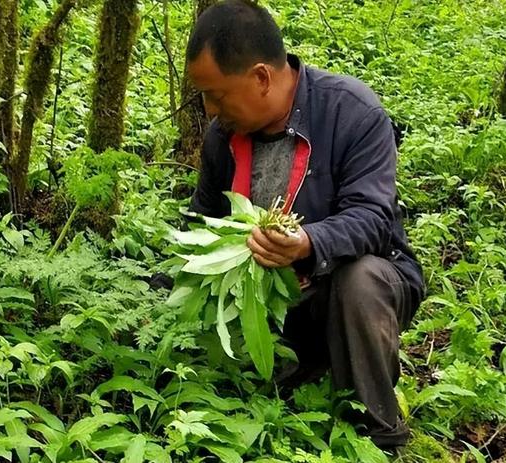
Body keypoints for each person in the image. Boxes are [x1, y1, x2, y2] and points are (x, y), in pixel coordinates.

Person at [185, 0, 425, 450]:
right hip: (274, 300)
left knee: (361, 279)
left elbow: (374, 218)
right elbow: (204, 217)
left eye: (217, 95)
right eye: (204, 97)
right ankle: (294, 376)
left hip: (351, 288)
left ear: (260, 77)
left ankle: (380, 432)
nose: (211, 110)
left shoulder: (351, 111)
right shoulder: (223, 137)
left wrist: (308, 242)